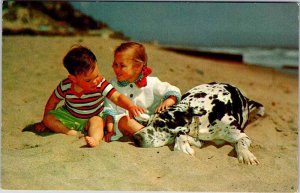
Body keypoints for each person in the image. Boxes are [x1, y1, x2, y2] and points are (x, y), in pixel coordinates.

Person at [34, 45, 144, 147]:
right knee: (49, 119)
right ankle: (71, 132)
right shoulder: (65, 86)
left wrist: (130, 105)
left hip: (93, 116)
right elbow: (52, 102)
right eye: (89, 80)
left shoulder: (101, 83)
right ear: (73, 79)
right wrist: (43, 121)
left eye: (97, 75)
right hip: (69, 116)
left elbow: (117, 97)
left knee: (97, 123)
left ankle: (95, 139)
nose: (96, 81)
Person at [105, 42, 181, 141]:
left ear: (137, 67)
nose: (116, 69)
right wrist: (110, 129)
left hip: (149, 121)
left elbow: (172, 89)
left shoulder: (151, 82)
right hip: (123, 123)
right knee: (125, 120)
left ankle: (149, 134)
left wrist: (169, 100)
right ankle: (148, 135)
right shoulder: (114, 84)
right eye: (115, 64)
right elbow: (108, 107)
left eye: (122, 66)